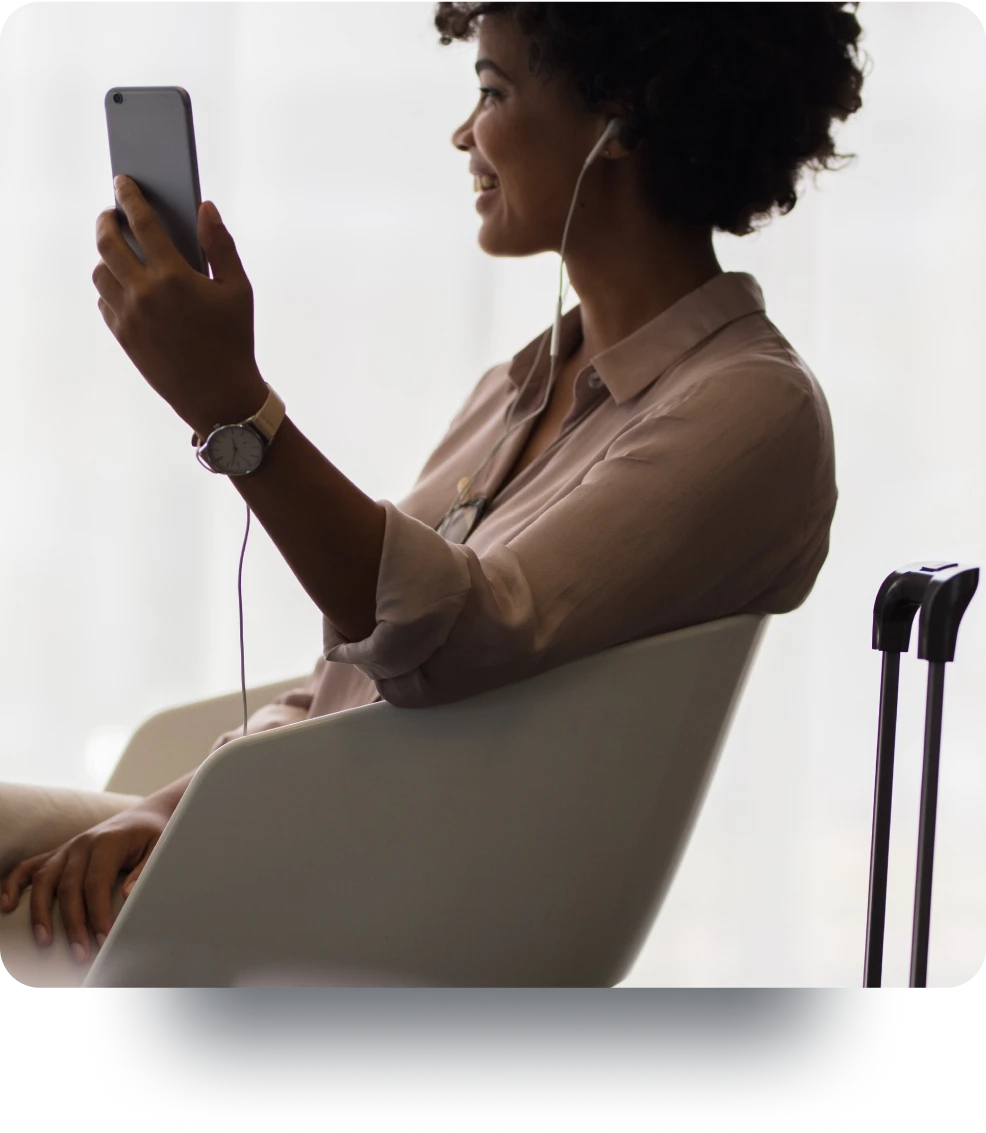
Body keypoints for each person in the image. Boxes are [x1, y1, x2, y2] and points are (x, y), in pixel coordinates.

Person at [0, 0, 868, 978]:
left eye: (492, 91)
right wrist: (167, 810)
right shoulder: (516, 387)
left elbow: (456, 639)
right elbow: (354, 676)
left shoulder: (750, 408)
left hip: (376, 904)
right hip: (280, 839)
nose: (463, 132)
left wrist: (233, 410)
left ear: (620, 119)